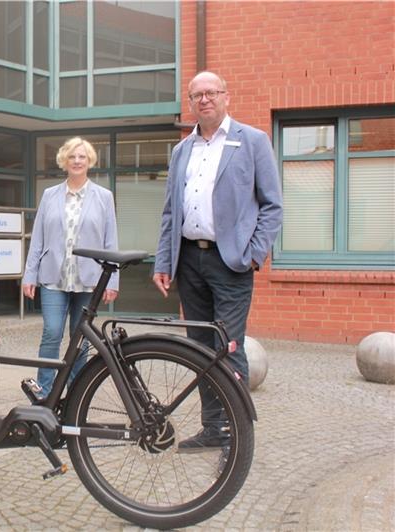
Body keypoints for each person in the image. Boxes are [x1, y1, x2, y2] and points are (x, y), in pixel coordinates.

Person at [152, 71, 283, 451]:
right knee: (199, 349)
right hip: (189, 261)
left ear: (226, 96)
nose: (204, 100)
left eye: (211, 93)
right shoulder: (182, 151)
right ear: (191, 103)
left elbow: (272, 205)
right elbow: (169, 213)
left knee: (228, 347)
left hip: (231, 263)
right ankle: (213, 428)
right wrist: (164, 263)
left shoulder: (252, 141)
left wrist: (254, 254)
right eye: (197, 95)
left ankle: (236, 433)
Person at [22, 137, 119, 400]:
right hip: (54, 278)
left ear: (89, 162)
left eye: (82, 157)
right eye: (73, 157)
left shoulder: (104, 197)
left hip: (88, 280)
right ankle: (44, 392)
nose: (77, 161)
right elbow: (38, 238)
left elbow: (111, 240)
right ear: (64, 161)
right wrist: (29, 275)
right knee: (52, 332)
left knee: (81, 340)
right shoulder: (50, 195)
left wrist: (112, 280)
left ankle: (76, 394)